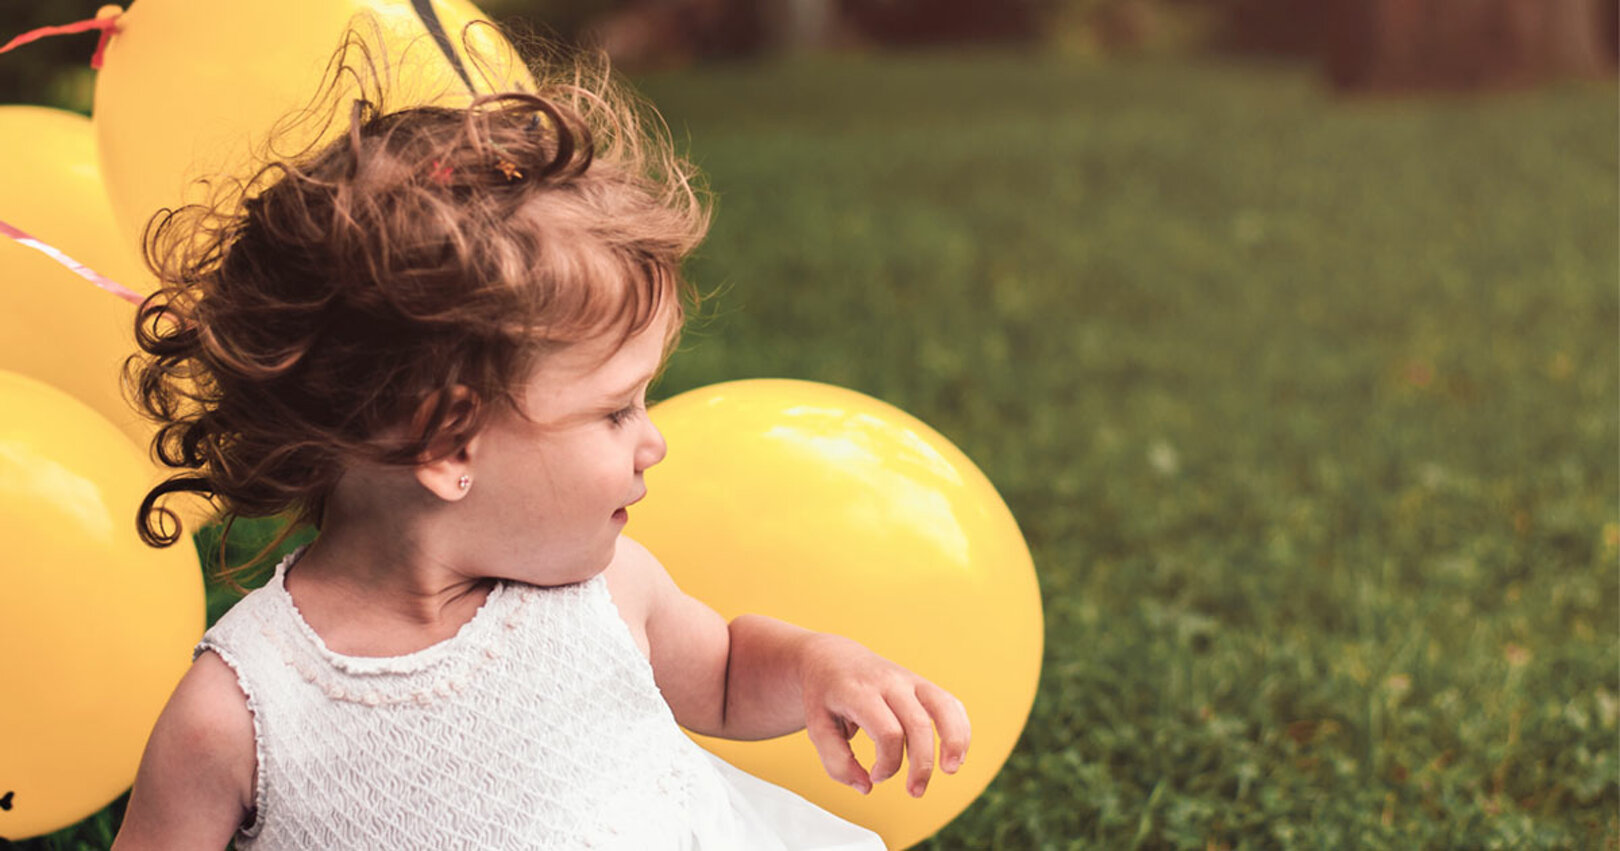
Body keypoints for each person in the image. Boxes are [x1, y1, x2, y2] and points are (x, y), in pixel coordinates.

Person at [108, 38, 969, 851]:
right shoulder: (241, 713)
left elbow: (728, 671)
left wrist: (824, 667)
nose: (653, 441)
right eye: (615, 411)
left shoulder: (603, 592)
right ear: (449, 447)